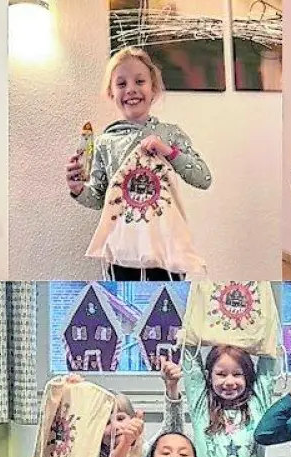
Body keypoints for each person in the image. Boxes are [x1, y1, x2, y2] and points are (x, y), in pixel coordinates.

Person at [67, 47, 211, 281]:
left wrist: (168, 151)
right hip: (122, 250)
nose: (131, 89)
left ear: (153, 88)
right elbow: (98, 198)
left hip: (165, 247)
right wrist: (78, 190)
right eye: (121, 84)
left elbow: (204, 178)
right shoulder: (105, 142)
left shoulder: (170, 134)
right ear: (111, 93)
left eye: (140, 81)